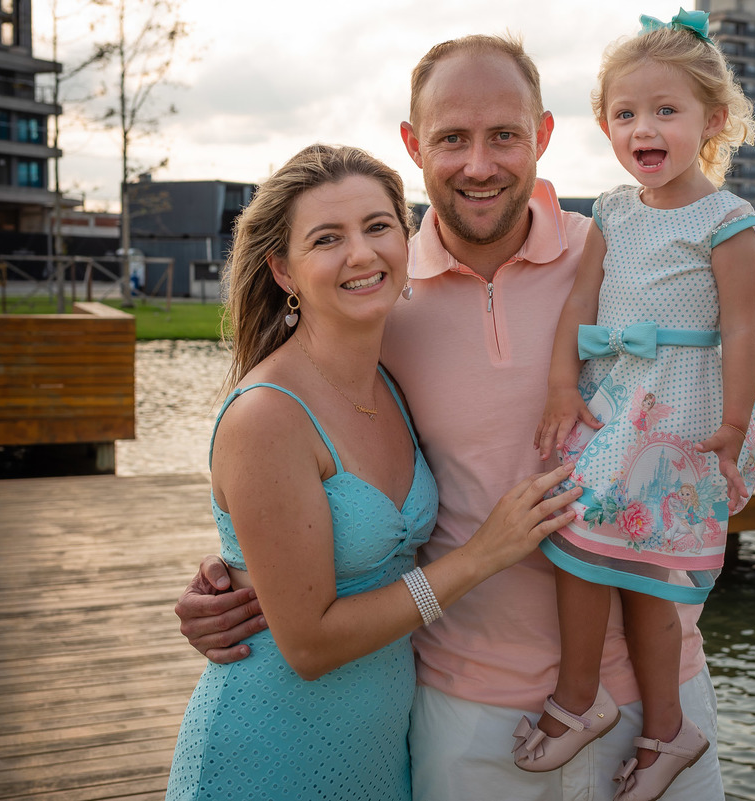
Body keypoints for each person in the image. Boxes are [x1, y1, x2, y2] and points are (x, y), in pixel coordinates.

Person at [176, 33, 730, 801]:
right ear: (414, 145)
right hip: (463, 714)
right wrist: (235, 578)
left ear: (542, 134)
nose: (479, 164)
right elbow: (299, 451)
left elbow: (714, 405)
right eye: (451, 139)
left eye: (504, 135)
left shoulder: (617, 254)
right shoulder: (381, 303)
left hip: (655, 703)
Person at [165, 143, 579, 801]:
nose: (360, 253)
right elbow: (308, 644)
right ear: (283, 269)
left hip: (380, 751)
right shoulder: (267, 414)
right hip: (269, 753)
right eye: (327, 238)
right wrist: (482, 555)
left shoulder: (390, 379)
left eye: (377, 226)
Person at [519, 10, 755, 800]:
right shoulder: (615, 213)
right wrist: (562, 383)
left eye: (666, 110)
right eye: (625, 113)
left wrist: (731, 428)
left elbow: (741, 332)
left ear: (712, 121)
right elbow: (578, 308)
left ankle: (668, 730)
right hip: (615, 406)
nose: (643, 128)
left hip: (684, 418)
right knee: (578, 542)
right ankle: (580, 693)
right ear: (605, 126)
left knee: (653, 580)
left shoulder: (728, 223)